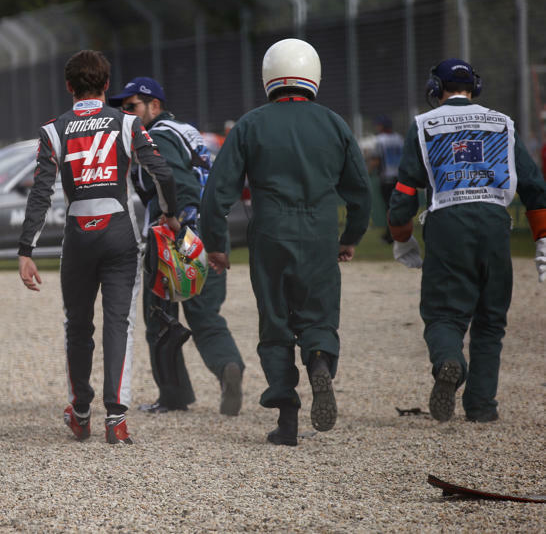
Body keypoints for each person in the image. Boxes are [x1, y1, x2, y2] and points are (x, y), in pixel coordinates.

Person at [200, 38, 372, 446]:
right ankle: (319, 364)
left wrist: (216, 244)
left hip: (270, 232)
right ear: (313, 75)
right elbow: (361, 193)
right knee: (319, 315)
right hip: (319, 232)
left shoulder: (250, 124)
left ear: (267, 76)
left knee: (275, 322)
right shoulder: (334, 123)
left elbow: (217, 193)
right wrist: (350, 237)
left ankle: (287, 421)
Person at [18, 50, 181, 445]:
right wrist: (171, 215)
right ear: (107, 86)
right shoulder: (127, 122)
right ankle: (117, 418)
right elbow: (162, 172)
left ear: (69, 87)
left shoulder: (53, 129)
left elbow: (40, 193)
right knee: (119, 323)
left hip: (78, 234)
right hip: (120, 232)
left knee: (78, 325)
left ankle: (81, 411)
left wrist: (26, 249)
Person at [387, 58, 546, 423]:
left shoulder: (423, 124)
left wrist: (401, 237)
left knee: (444, 314)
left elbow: (405, 191)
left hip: (447, 222)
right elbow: (535, 187)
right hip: (493, 222)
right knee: (491, 320)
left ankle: (449, 362)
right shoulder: (503, 122)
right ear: (475, 87)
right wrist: (542, 237)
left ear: (435, 89)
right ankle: (482, 407)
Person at [107, 76, 245, 417]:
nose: (125, 113)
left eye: (132, 106)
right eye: (122, 108)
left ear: (155, 106)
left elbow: (176, 183)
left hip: (176, 239)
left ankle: (173, 394)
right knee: (206, 315)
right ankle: (228, 365)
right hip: (211, 233)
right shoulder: (187, 131)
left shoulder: (157, 136)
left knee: (160, 319)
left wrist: (177, 224)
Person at [369, 115, 404, 243]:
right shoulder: (399, 138)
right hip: (400, 177)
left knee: (389, 208)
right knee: (397, 207)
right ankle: (396, 234)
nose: (377, 127)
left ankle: (391, 236)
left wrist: (367, 172)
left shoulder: (380, 139)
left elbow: (376, 159)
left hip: (386, 178)